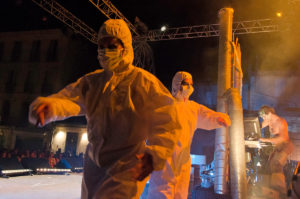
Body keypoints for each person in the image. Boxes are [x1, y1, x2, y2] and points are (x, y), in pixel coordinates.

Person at [28, 19, 181, 199]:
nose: (105, 50)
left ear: (124, 47)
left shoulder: (143, 83)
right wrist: (49, 107)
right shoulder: (92, 82)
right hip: (93, 164)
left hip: (127, 165)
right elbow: (69, 100)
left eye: (111, 45)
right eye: (101, 45)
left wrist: (154, 155)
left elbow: (168, 121)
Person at [147, 71, 231, 199]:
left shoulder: (192, 108)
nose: (189, 87)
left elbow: (207, 115)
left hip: (183, 161)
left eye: (191, 84)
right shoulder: (163, 105)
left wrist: (220, 119)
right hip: (163, 160)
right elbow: (145, 123)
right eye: (186, 84)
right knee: (161, 193)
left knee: (180, 193)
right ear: (177, 85)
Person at [258, 105, 294, 198]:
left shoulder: (280, 122)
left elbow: (282, 138)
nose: (263, 118)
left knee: (276, 165)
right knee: (269, 167)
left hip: (285, 146)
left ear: (269, 114)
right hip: (277, 147)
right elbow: (258, 126)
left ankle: (281, 193)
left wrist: (266, 140)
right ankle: (269, 192)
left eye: (263, 116)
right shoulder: (268, 120)